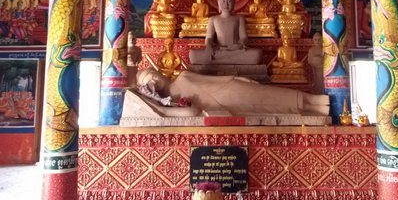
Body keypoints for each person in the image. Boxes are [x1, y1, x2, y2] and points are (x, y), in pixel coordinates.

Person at [133, 68, 330, 117]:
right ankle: (314, 109)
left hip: (227, 89)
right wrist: (155, 101)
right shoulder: (172, 102)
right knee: (268, 105)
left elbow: (210, 80)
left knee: (268, 94)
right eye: (149, 81)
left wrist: (237, 79)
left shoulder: (183, 75)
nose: (154, 78)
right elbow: (191, 112)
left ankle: (313, 100)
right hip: (221, 105)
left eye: (152, 73)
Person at [189, 0, 262, 65]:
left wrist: (240, 45)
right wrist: (209, 46)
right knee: (193, 54)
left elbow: (244, 38)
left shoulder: (239, 18)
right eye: (223, 1)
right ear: (218, 2)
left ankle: (220, 61)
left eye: (229, 1)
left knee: (256, 54)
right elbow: (209, 38)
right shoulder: (213, 19)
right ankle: (228, 60)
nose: (226, 4)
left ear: (234, 3)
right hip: (219, 50)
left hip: (235, 50)